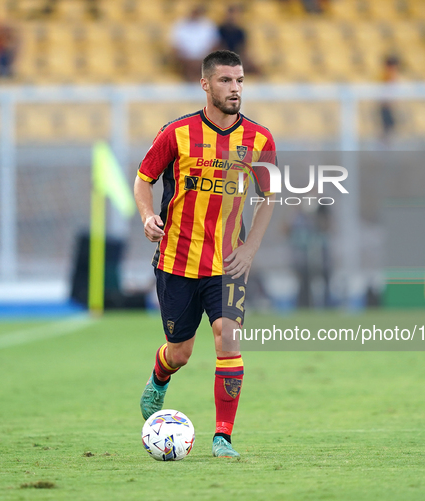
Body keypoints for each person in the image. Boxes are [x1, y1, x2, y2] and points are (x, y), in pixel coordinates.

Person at [134, 50, 276, 458]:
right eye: (227, 81)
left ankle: (222, 437)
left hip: (228, 263)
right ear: (206, 84)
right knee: (181, 351)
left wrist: (249, 250)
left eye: (240, 81)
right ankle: (160, 375)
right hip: (177, 261)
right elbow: (143, 180)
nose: (235, 89)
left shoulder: (260, 139)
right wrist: (147, 217)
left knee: (228, 339)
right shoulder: (176, 133)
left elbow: (270, 198)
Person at [170, 6, 220, 81]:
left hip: (203, 58)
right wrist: (188, 58)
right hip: (185, 59)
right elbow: (175, 46)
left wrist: (202, 58)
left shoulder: (208, 25)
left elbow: (214, 45)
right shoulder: (180, 25)